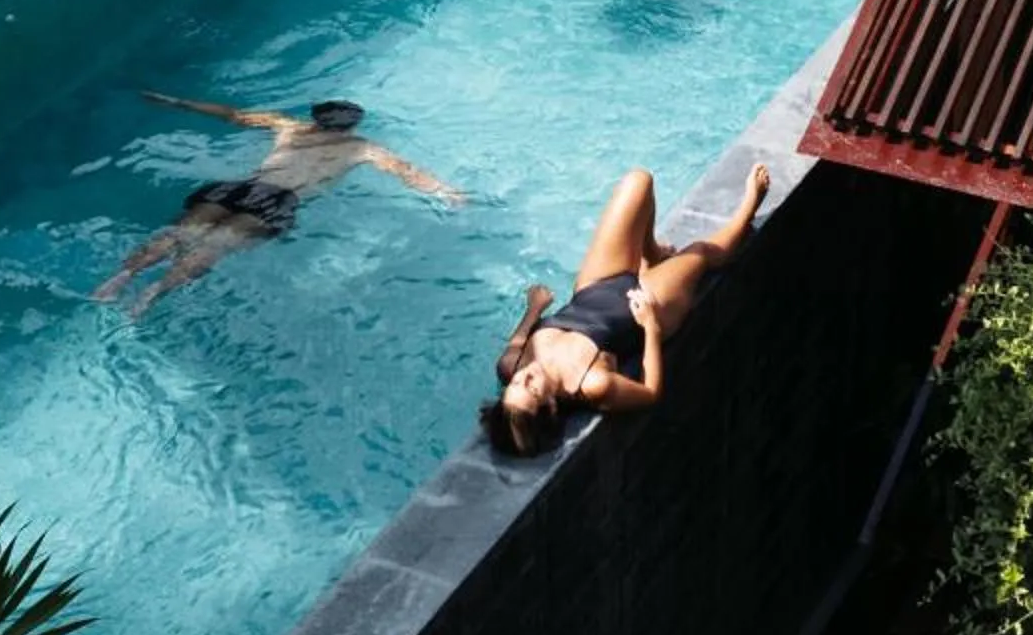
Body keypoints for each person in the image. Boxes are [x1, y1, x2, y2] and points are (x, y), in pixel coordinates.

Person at [480, 161, 774, 456]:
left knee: (638, 182)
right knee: (700, 254)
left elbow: (519, 339)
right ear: (551, 405)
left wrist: (534, 308)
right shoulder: (592, 384)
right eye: (530, 388)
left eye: (516, 383)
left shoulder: (511, 364)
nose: (526, 375)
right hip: (640, 306)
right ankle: (748, 208)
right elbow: (650, 393)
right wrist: (651, 328)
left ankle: (653, 254)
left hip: (594, 287)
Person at [96, 92, 465, 314]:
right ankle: (151, 294)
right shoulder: (361, 148)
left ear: (315, 119)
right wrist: (445, 192)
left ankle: (121, 277)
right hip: (277, 201)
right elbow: (406, 170)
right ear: (351, 126)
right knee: (214, 247)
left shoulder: (288, 127)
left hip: (241, 187)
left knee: (183, 232)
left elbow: (232, 114)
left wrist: (178, 102)